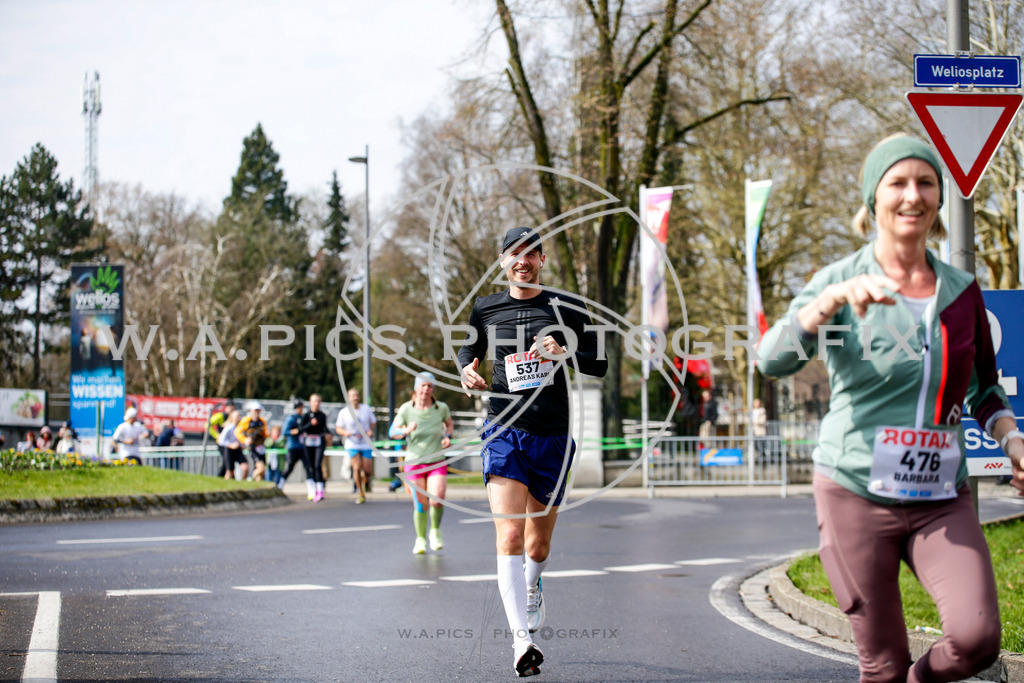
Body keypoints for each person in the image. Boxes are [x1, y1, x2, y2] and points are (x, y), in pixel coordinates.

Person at [759, 133, 1024, 683]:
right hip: (854, 489)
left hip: (941, 497)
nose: (912, 195)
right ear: (872, 199)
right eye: (897, 183)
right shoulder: (836, 282)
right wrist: (827, 304)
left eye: (925, 183)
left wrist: (1012, 440)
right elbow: (771, 360)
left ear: (938, 199)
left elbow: (985, 391)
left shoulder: (961, 291)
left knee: (976, 640)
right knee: (879, 663)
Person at [458, 226, 608, 677]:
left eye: (530, 254)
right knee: (508, 535)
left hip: (553, 436)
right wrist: (466, 368)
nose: (521, 261)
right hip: (503, 428)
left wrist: (566, 351)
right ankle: (521, 642)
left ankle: (533, 583)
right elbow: (468, 347)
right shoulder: (486, 307)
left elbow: (598, 363)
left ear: (542, 260)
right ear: (503, 261)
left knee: (537, 544)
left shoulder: (566, 306)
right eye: (513, 254)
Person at [390, 372, 453, 554]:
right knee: (421, 504)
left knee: (437, 499)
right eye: (423, 386)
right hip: (414, 462)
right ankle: (420, 539)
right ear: (416, 388)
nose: (426, 389)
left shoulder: (440, 408)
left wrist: (447, 436)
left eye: (430, 386)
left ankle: (435, 531)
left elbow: (449, 424)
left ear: (433, 389)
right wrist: (405, 430)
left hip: (436, 460)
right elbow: (392, 431)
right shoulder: (406, 409)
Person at [336, 388, 378, 504]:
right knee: (357, 467)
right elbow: (338, 428)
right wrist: (345, 433)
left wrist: (370, 430)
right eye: (353, 396)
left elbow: (373, 422)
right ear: (348, 398)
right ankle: (360, 492)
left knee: (368, 470)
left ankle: (367, 480)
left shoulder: (366, 409)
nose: (355, 398)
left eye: (357, 395)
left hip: (365, 443)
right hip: (352, 443)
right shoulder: (344, 412)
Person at [281, 399, 316, 498]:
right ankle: (280, 485)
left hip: (303, 446)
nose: (300, 409)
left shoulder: (304, 417)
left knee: (308, 468)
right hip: (293, 447)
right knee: (290, 467)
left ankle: (311, 490)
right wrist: (296, 431)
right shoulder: (291, 418)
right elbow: (285, 432)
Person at [300, 393, 329, 502]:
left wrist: (329, 434)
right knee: (310, 466)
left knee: (318, 465)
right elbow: (300, 429)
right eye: (314, 401)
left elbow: (324, 428)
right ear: (310, 402)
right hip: (308, 442)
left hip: (319, 441)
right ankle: (311, 490)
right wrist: (310, 424)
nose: (316, 404)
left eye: (318, 401)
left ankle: (320, 490)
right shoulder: (306, 415)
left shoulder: (322, 415)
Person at [236, 401, 269, 481]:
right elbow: (237, 432)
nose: (257, 412)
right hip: (252, 448)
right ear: (251, 411)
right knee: (261, 468)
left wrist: (268, 435)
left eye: (258, 410)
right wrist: (245, 440)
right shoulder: (247, 421)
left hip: (261, 447)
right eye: (255, 410)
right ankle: (250, 478)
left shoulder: (262, 421)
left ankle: (257, 486)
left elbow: (265, 434)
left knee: (262, 473)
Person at [208, 400, 237, 477]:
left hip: (231, 444)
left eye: (233, 407)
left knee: (230, 461)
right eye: (230, 407)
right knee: (226, 461)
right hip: (223, 443)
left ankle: (229, 477)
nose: (232, 409)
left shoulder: (234, 417)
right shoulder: (220, 416)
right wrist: (216, 435)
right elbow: (207, 425)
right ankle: (220, 476)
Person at [217, 407, 247, 480]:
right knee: (230, 471)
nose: (238, 418)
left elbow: (240, 438)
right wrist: (231, 445)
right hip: (229, 450)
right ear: (232, 418)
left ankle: (242, 484)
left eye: (239, 416)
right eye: (237, 416)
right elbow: (220, 440)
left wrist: (242, 445)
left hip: (238, 450)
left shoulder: (240, 428)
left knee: (245, 467)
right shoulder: (229, 427)